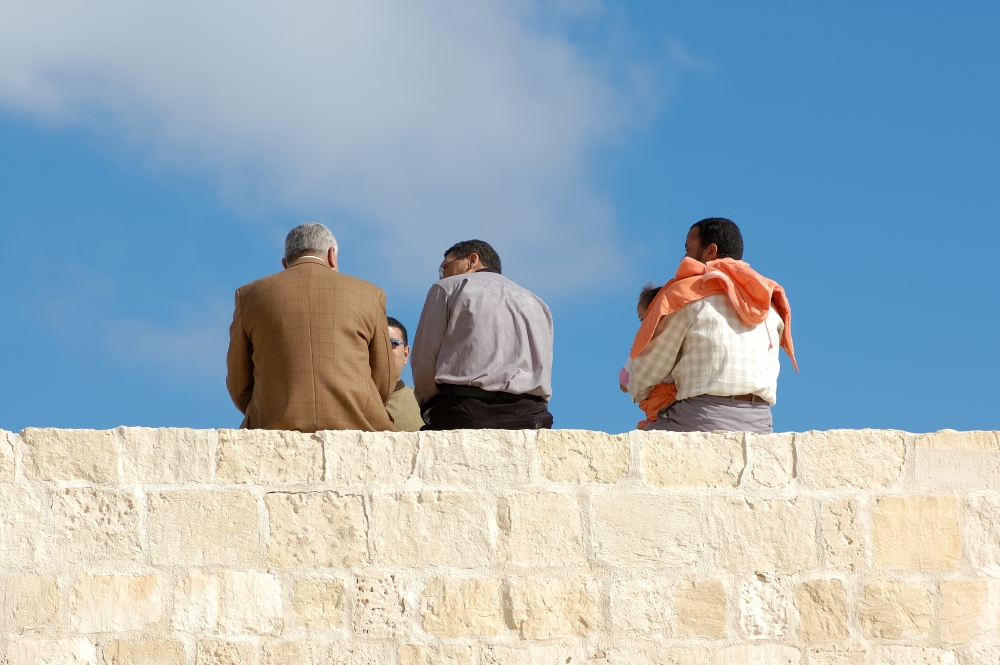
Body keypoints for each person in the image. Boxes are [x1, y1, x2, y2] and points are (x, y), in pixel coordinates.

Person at [625, 218, 798, 434]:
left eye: (688, 250)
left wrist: (632, 384)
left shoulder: (688, 295)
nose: (684, 258)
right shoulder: (768, 302)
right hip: (761, 424)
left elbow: (648, 370)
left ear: (710, 251)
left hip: (702, 417)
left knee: (641, 443)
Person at [226, 222, 395, 432]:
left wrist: (271, 408)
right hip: (359, 426)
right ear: (332, 254)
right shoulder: (371, 294)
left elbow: (238, 381)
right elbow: (384, 379)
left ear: (285, 263)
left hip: (274, 424)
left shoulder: (250, 295)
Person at [411, 239, 554, 430]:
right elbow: (543, 365)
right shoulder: (537, 302)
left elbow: (425, 356)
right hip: (530, 417)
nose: (442, 274)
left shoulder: (448, 288)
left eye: (445, 266)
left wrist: (429, 405)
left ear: (472, 259)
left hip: (465, 410)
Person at [619, 283, 677, 429]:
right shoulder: (675, 334)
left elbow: (624, 384)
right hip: (676, 396)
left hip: (657, 399)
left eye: (643, 318)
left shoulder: (643, 343)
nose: (642, 324)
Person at [385, 316, 423, 432]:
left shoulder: (423, 405)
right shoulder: (353, 402)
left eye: (392, 343)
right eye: (378, 342)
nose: (384, 349)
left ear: (405, 354)